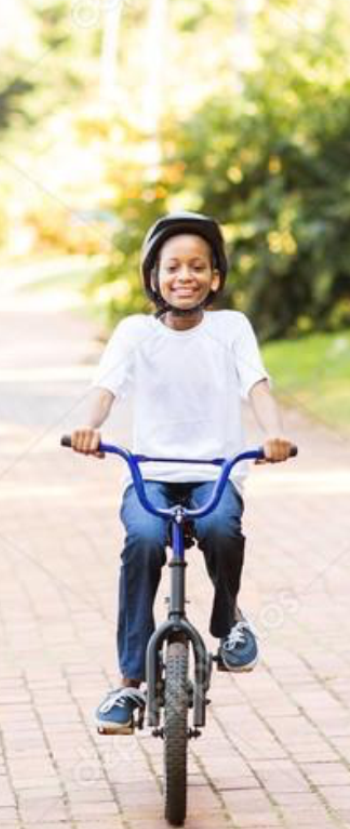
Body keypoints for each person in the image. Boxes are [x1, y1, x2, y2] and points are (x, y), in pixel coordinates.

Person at [69, 211, 293, 735]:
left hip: (216, 474)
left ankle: (228, 621)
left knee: (220, 528)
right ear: (154, 277)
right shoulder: (134, 333)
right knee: (142, 541)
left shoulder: (231, 328)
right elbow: (105, 388)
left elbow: (257, 385)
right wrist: (87, 427)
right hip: (150, 475)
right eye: (172, 267)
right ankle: (128, 683)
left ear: (215, 277)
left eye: (198, 267)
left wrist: (274, 434)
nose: (184, 276)